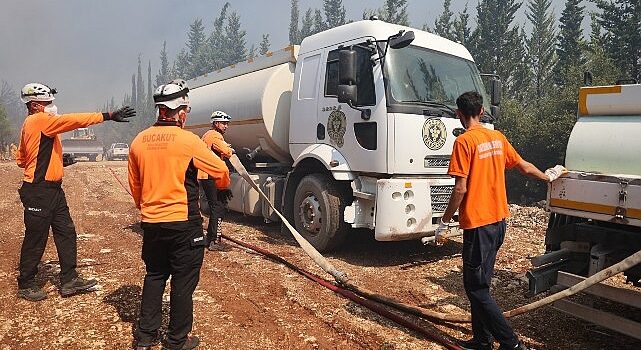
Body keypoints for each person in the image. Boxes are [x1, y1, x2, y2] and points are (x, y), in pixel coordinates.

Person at [436, 91, 565, 350]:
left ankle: (511, 343)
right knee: (480, 283)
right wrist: (548, 177)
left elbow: (460, 189)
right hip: (498, 223)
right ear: (482, 111)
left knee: (476, 289)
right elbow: (524, 166)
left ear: (458, 114)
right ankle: (482, 341)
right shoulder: (497, 138)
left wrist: (444, 221)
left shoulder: (464, 142)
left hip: (478, 225)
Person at [128, 79, 230, 350]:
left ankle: (145, 337)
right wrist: (221, 189)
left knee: (154, 276)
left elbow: (136, 187)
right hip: (183, 225)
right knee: (183, 283)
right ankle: (176, 341)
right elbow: (220, 171)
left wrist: (148, 210)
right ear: (181, 111)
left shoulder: (138, 142)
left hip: (151, 224)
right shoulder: (188, 141)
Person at [16, 82, 135, 301]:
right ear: (34, 105)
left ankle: (69, 279)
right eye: (46, 103)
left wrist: (57, 161)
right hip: (39, 190)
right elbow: (73, 120)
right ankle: (26, 283)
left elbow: (22, 159)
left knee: (66, 232)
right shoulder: (39, 120)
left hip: (52, 190)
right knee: (36, 237)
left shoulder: (29, 125)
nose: (51, 106)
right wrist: (108, 115)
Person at [197, 110, 233, 251]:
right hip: (211, 175)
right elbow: (226, 151)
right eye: (224, 123)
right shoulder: (215, 135)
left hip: (205, 175)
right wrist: (230, 150)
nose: (226, 126)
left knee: (214, 206)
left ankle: (209, 239)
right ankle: (214, 241)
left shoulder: (207, 134)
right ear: (216, 123)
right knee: (218, 207)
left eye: (227, 124)